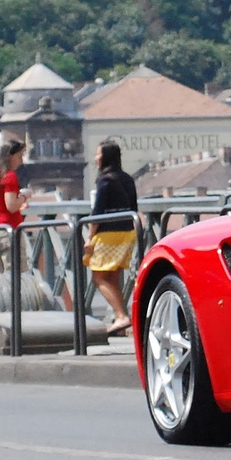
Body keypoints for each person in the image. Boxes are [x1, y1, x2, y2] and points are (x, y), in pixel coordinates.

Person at [85, 141, 138, 335]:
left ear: (106, 157)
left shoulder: (105, 180)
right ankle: (120, 322)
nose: (96, 158)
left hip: (108, 234)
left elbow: (97, 212)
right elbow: (134, 208)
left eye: (98, 154)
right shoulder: (127, 178)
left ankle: (121, 316)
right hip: (127, 231)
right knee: (113, 277)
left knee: (98, 277)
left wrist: (90, 238)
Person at [0, 140, 29, 273]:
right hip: (9, 231)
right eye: (19, 157)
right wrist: (25, 196)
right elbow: (11, 206)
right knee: (16, 276)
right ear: (10, 155)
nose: (21, 161)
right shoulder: (9, 176)